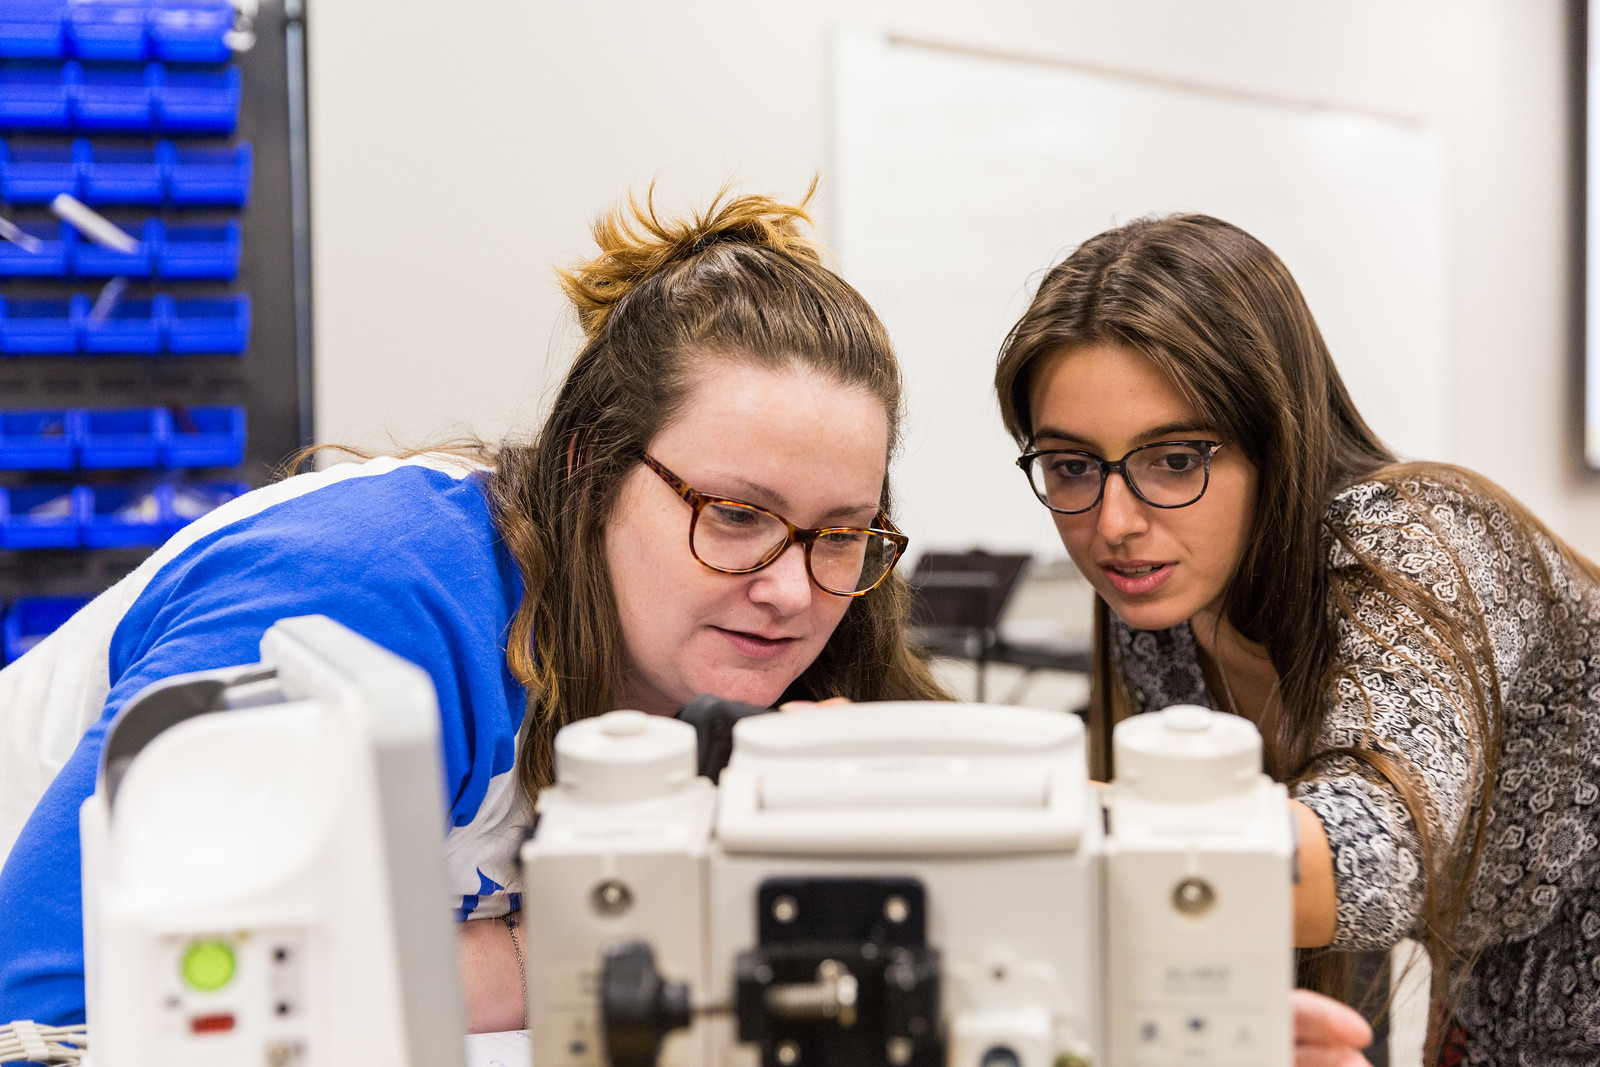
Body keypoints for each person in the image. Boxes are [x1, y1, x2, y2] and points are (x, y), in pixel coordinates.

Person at [0, 185, 943, 1032]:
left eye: (840, 532)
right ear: (589, 463)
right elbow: (58, 1007)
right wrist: (563, 951)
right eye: (735, 515)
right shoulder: (382, 603)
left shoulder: (805, 623)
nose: (789, 589)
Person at [994, 213, 1600, 1065]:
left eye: (1174, 459)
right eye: (1071, 465)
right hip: (1487, 954)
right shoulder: (1163, 604)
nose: (1114, 522)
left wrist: (988, 809)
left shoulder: (1413, 540)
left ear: (1276, 438)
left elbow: (1365, 858)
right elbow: (1232, 896)